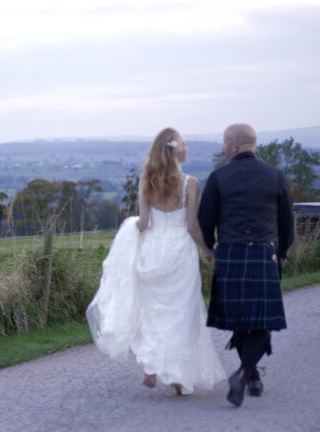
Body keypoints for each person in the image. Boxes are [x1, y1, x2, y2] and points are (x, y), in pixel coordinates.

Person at [87, 127, 225, 396]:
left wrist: (128, 236)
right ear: (176, 149)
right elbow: (192, 225)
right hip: (179, 253)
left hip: (152, 251)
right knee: (182, 314)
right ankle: (177, 378)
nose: (187, 148)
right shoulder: (191, 183)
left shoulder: (146, 180)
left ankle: (151, 368)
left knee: (152, 312)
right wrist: (206, 250)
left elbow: (144, 222)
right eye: (185, 144)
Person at [198, 123, 295, 407]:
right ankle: (249, 374)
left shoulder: (219, 177)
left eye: (224, 143)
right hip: (264, 254)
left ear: (234, 146)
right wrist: (284, 250)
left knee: (241, 319)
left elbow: (206, 220)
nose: (223, 148)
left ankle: (245, 373)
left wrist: (208, 248)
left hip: (230, 254)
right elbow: (287, 220)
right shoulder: (275, 176)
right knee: (262, 319)